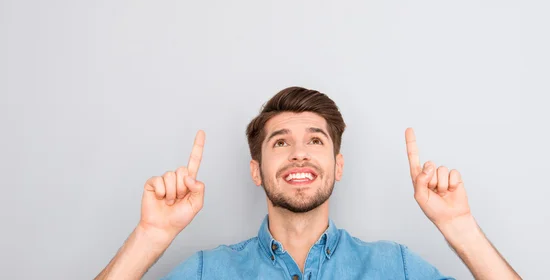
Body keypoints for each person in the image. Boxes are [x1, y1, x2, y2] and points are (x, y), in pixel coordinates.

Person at [94, 86, 521, 279]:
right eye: (280, 142)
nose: (299, 152)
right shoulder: (209, 272)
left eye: (314, 140)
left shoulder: (396, 267)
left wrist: (460, 227)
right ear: (256, 171)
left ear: (337, 166)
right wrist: (150, 236)